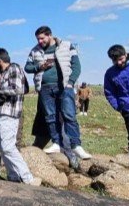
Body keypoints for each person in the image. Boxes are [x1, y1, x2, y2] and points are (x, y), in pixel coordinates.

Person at [24, 26, 91, 160]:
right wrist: (40, 66)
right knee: (50, 116)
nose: (40, 41)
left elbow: (76, 66)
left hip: (63, 86)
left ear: (50, 35)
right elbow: (27, 67)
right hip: (45, 88)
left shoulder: (66, 46)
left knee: (69, 115)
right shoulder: (35, 50)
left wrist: (70, 83)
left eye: (42, 38)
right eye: (38, 39)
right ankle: (56, 142)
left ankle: (76, 145)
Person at [0, 48, 37, 184]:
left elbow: (18, 89)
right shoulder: (1, 73)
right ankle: (13, 176)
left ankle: (27, 177)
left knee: (8, 147)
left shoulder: (14, 69)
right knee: (2, 146)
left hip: (9, 112)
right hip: (0, 112)